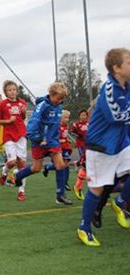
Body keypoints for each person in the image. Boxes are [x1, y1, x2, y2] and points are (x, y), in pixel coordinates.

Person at [77, 48, 130, 247]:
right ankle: (84, 228)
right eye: (129, 62)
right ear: (117, 68)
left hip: (121, 143)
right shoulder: (109, 89)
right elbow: (115, 117)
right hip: (101, 146)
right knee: (97, 189)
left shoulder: (128, 86)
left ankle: (120, 202)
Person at [13, 83, 71, 204]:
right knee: (36, 168)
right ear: (51, 94)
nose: (60, 100)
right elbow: (33, 124)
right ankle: (18, 176)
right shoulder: (42, 106)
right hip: (39, 141)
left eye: (62, 98)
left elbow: (54, 125)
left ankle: (60, 195)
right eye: (58, 98)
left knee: (60, 165)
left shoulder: (58, 106)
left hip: (53, 141)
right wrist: (38, 139)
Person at [0, 80, 28, 201]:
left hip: (21, 135)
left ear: (17, 91)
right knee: (12, 161)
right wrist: (8, 121)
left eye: (14, 89)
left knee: (22, 164)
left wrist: (24, 113)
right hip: (8, 136)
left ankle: (21, 191)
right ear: (5, 92)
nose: (12, 92)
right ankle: (4, 172)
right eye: (9, 90)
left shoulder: (22, 102)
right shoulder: (3, 104)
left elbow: (23, 118)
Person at [43, 110, 73, 194]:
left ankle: (65, 182)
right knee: (60, 165)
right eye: (65, 117)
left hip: (65, 147)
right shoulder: (56, 127)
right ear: (60, 118)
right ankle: (48, 167)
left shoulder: (66, 126)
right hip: (58, 148)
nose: (67, 119)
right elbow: (53, 137)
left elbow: (64, 136)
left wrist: (68, 140)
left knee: (66, 164)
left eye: (68, 118)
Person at [71, 109, 89, 200]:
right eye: (81, 115)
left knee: (87, 165)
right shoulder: (76, 124)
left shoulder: (89, 124)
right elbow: (72, 132)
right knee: (85, 164)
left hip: (89, 145)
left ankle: (77, 163)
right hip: (81, 145)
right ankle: (78, 187)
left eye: (85, 115)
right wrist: (79, 135)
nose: (83, 117)